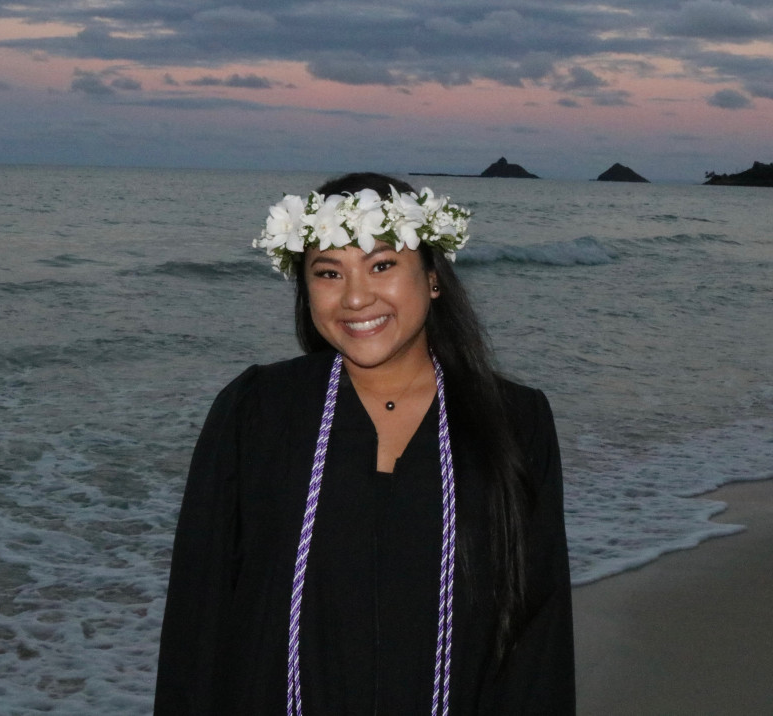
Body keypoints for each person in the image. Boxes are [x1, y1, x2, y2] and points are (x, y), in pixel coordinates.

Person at [154, 172, 575, 715]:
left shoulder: (514, 421)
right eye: (329, 272)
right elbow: (199, 615)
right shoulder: (258, 411)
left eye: (381, 265)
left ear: (432, 278)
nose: (355, 297)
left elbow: (536, 632)